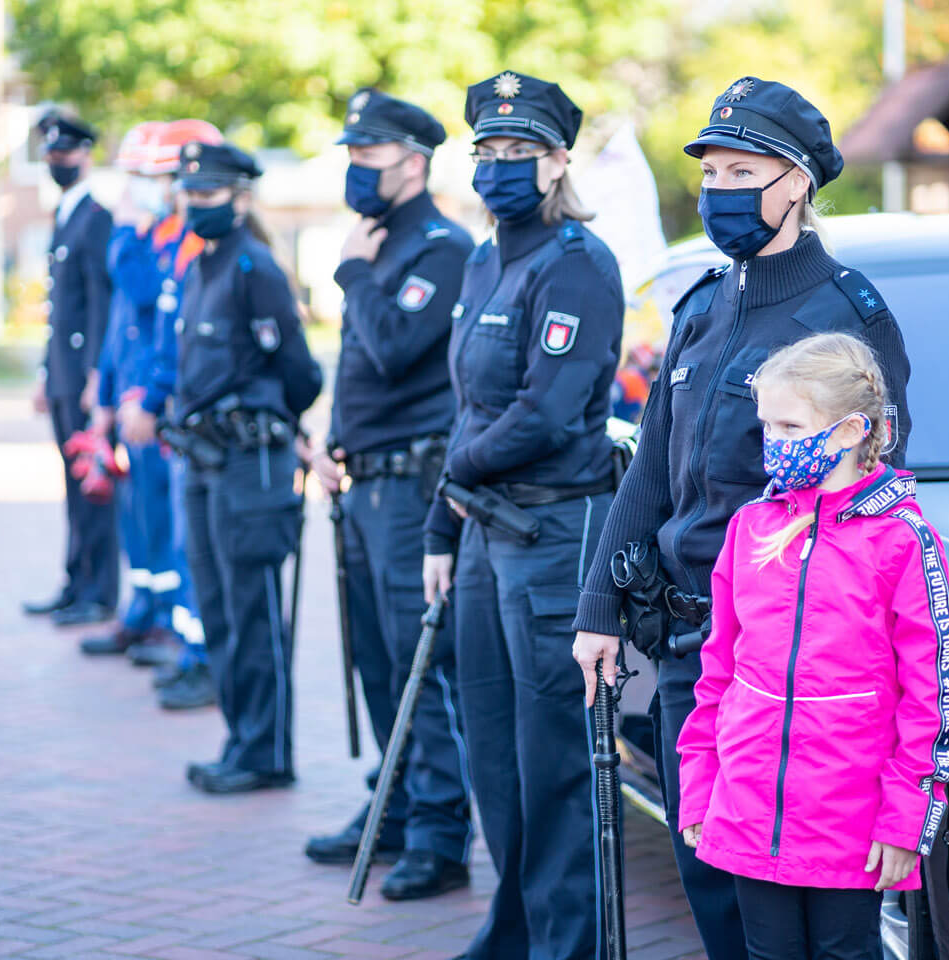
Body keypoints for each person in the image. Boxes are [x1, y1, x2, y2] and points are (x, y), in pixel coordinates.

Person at [570, 77, 914, 958]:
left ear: (796, 180)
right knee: (711, 882)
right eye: (710, 171)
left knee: (802, 917)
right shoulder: (702, 305)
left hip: (793, 671)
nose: (720, 188)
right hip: (697, 656)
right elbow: (651, 470)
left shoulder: (845, 315)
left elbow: (869, 494)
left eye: (742, 169)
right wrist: (598, 610)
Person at [675, 332, 949, 960]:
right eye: (766, 425)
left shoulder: (902, 541)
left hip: (851, 820)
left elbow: (936, 695)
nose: (771, 442)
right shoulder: (753, 525)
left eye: (788, 425)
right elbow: (717, 672)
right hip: (749, 803)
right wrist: (701, 783)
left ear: (849, 430)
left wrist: (906, 816)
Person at [421, 71, 624, 960]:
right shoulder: (481, 256)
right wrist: (442, 520)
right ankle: (514, 929)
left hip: (551, 536)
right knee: (493, 753)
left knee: (554, 762)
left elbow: (544, 412)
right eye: (489, 152)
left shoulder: (579, 264)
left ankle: (564, 944)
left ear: (557, 161)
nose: (500, 168)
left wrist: (449, 472)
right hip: (479, 533)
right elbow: (465, 405)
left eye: (520, 153)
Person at [302, 89, 475, 901]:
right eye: (351, 158)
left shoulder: (439, 247)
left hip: (412, 484)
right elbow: (359, 372)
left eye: (366, 158)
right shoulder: (377, 242)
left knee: (418, 661)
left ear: (412, 161)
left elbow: (399, 348)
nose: (354, 172)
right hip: (364, 478)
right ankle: (396, 803)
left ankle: (440, 835)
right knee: (376, 656)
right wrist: (330, 442)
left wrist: (350, 272)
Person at [172, 141, 323, 794]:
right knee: (220, 610)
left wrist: (267, 420)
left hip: (249, 462)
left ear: (239, 198)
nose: (196, 205)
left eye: (209, 195)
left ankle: (264, 753)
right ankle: (242, 740)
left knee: (253, 611)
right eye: (192, 194)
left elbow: (301, 375)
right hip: (204, 458)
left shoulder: (254, 268)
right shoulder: (203, 267)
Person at [111, 118, 223, 707]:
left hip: (190, 419)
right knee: (168, 534)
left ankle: (199, 656)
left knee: (190, 545)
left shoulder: (199, 243)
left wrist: (152, 399)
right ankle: (187, 647)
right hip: (163, 408)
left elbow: (173, 332)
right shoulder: (167, 238)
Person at [81, 120, 185, 661]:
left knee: (166, 520)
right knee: (137, 518)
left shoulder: (170, 241)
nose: (136, 188)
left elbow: (144, 294)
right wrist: (102, 396)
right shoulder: (143, 235)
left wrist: (123, 231)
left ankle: (171, 622)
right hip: (126, 402)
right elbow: (119, 322)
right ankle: (140, 610)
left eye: (148, 176)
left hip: (155, 406)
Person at [24, 110, 119, 626]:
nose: (57, 162)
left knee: (94, 485)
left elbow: (99, 304)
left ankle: (98, 590)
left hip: (84, 375)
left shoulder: (96, 217)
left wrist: (96, 375)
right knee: (71, 483)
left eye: (65, 154)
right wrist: (46, 370)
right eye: (51, 155)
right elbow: (58, 308)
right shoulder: (65, 214)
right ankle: (75, 579)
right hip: (63, 371)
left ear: (85, 154)